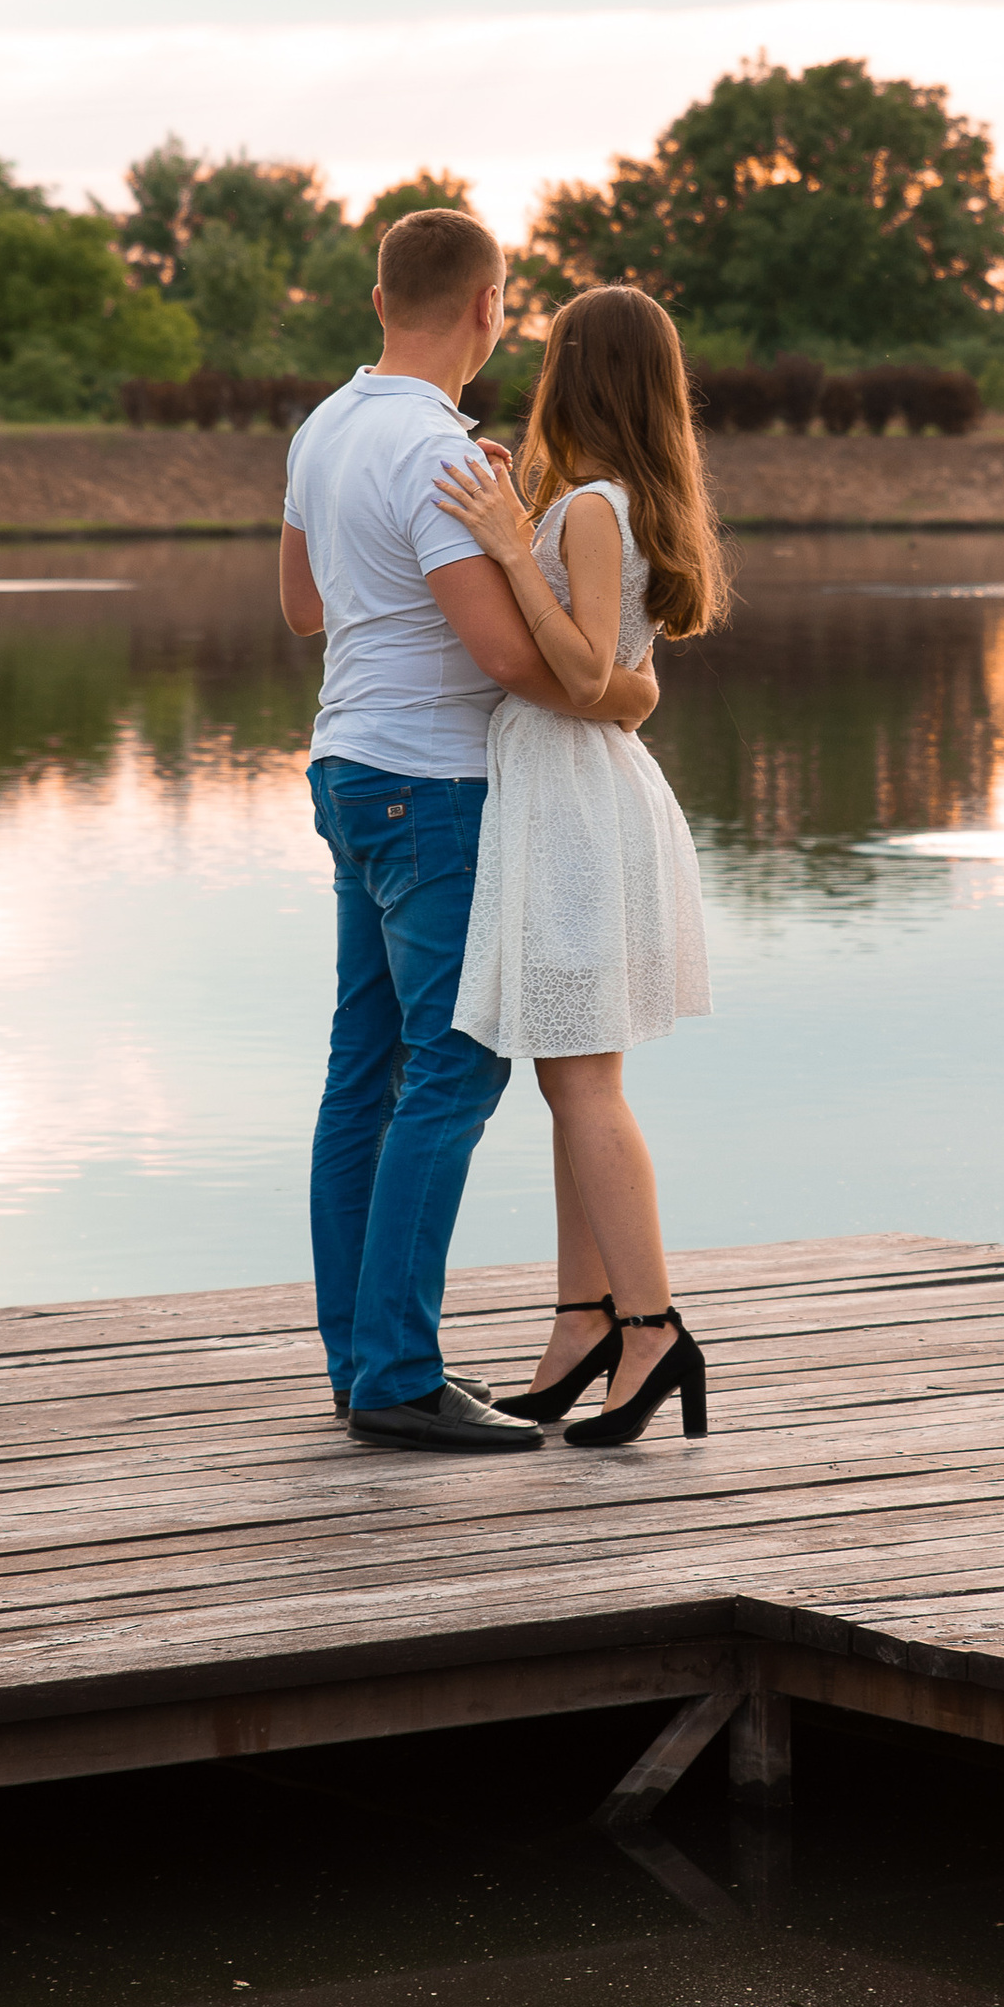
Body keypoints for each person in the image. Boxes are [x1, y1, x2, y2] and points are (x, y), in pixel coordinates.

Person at [281, 211, 660, 1453]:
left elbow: (302, 606)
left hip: (346, 765)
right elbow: (510, 660)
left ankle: (358, 1363)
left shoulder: (327, 425)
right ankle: (395, 1371)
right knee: (452, 1070)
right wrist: (628, 686)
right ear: (489, 306)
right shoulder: (436, 453)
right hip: (435, 788)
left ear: (378, 295)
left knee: (363, 1072)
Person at [433, 286, 726, 1450]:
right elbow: (626, 686)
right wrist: (523, 526)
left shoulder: (594, 510)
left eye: (553, 353)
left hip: (572, 798)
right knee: (571, 1078)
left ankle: (651, 1327)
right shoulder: (603, 498)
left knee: (582, 1083)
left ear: (578, 371)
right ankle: (582, 1322)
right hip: (573, 792)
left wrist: (508, 542)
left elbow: (593, 677)